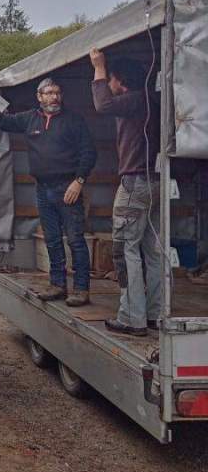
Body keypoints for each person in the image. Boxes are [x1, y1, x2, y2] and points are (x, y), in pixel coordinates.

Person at [0, 78, 97, 306]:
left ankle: (81, 289)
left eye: (57, 92)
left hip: (68, 188)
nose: (53, 97)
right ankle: (57, 284)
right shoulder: (30, 118)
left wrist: (78, 181)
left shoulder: (74, 120)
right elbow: (2, 121)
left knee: (76, 240)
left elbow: (89, 152)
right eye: (48, 93)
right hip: (42, 188)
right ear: (39, 97)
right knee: (52, 239)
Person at [90, 49, 160, 337]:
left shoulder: (132, 100)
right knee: (153, 251)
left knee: (124, 249)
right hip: (157, 182)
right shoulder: (153, 102)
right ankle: (156, 313)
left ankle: (132, 318)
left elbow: (103, 105)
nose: (109, 85)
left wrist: (98, 67)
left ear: (120, 81)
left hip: (134, 183)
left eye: (111, 81)